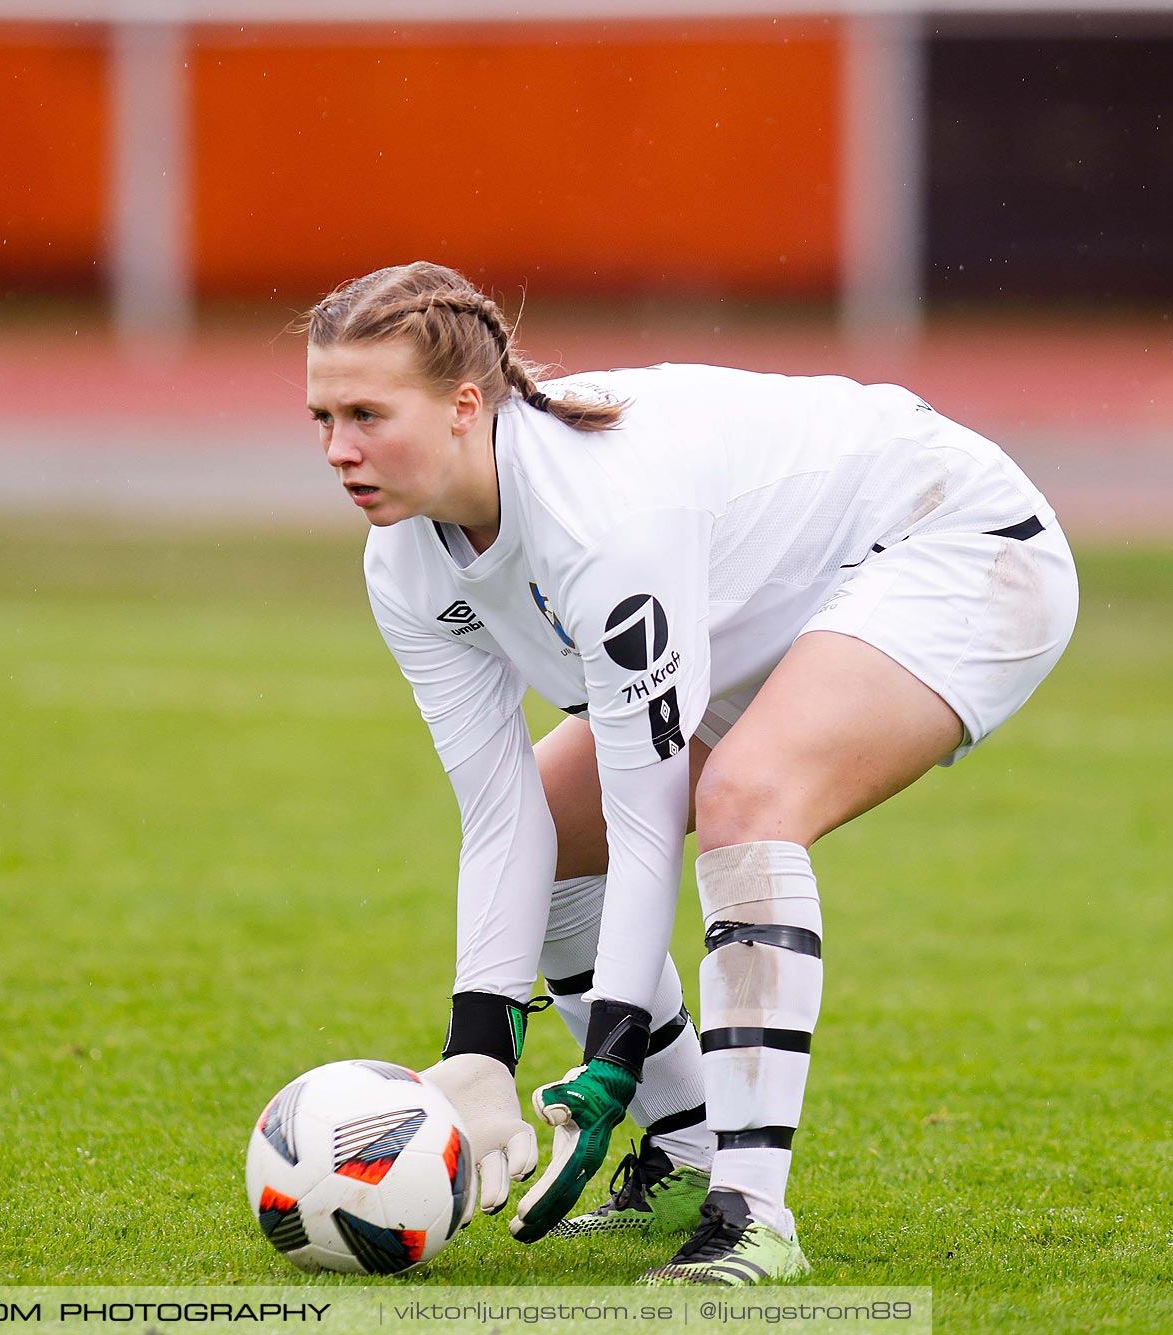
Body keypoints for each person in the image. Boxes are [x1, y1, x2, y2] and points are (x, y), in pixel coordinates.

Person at [301, 261, 1078, 1285]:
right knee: (555, 829)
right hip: (760, 609)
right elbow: (503, 819)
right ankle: (683, 1150)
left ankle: (752, 1218)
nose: (337, 450)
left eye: (366, 412)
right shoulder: (402, 559)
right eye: (321, 415)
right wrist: (479, 1048)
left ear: (463, 407)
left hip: (956, 546)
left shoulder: (602, 521)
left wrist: (610, 1047)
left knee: (744, 800)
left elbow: (649, 806)